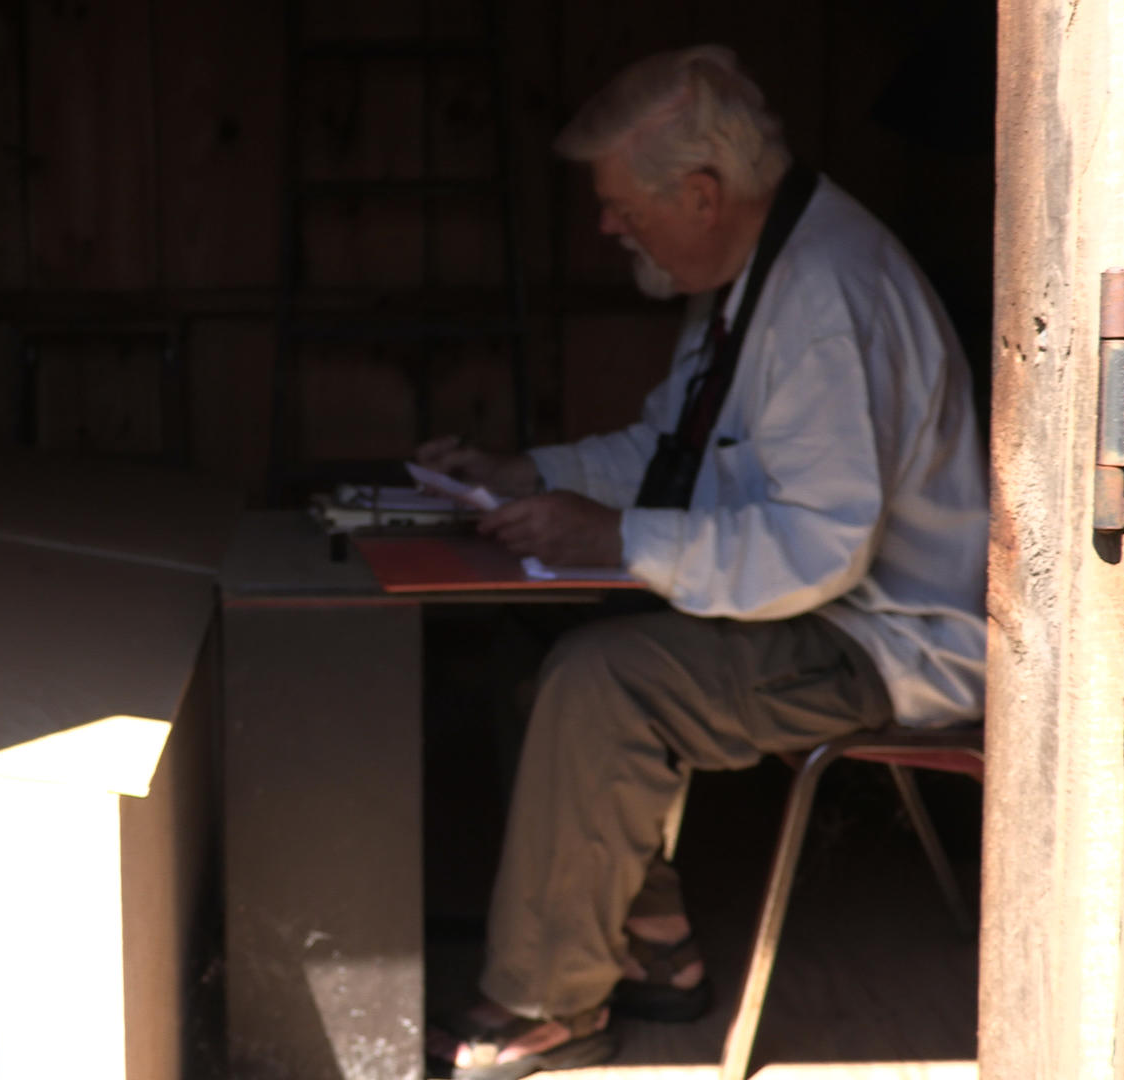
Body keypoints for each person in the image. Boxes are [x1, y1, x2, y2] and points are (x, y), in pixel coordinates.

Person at [417, 45, 988, 1079]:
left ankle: (548, 1004)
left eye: (621, 204)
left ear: (701, 192)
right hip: (820, 606)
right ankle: (657, 945)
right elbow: (674, 453)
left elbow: (821, 548)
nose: (606, 224)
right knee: (532, 641)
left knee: (603, 681)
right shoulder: (755, 269)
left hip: (882, 638)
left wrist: (618, 539)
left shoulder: (823, 297)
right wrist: (523, 474)